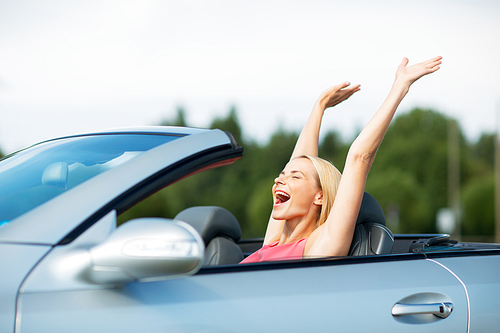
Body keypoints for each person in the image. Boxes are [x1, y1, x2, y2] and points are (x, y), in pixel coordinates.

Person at [240, 56, 442, 264]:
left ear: (319, 197)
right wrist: (319, 107)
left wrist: (400, 86)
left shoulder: (317, 248)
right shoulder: (272, 243)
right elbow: (300, 160)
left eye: (295, 177)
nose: (279, 180)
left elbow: (359, 158)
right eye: (282, 175)